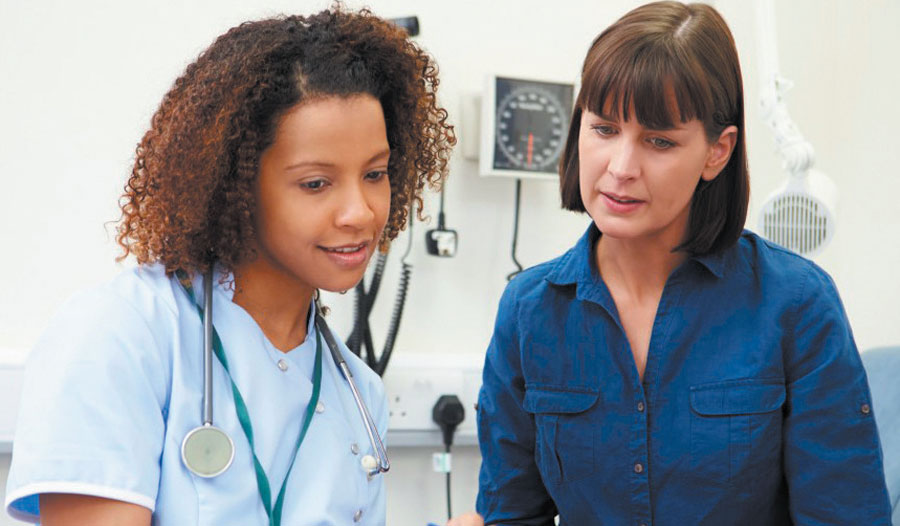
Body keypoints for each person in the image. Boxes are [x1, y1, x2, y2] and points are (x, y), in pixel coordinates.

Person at [4, 7, 454, 526]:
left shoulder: (357, 392)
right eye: (315, 183)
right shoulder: (120, 337)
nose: (360, 212)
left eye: (375, 173)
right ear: (234, 184)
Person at [456, 2, 893, 525]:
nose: (620, 168)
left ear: (717, 152)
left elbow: (843, 515)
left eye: (659, 141)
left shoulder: (797, 305)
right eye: (603, 129)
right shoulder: (529, 311)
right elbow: (511, 513)